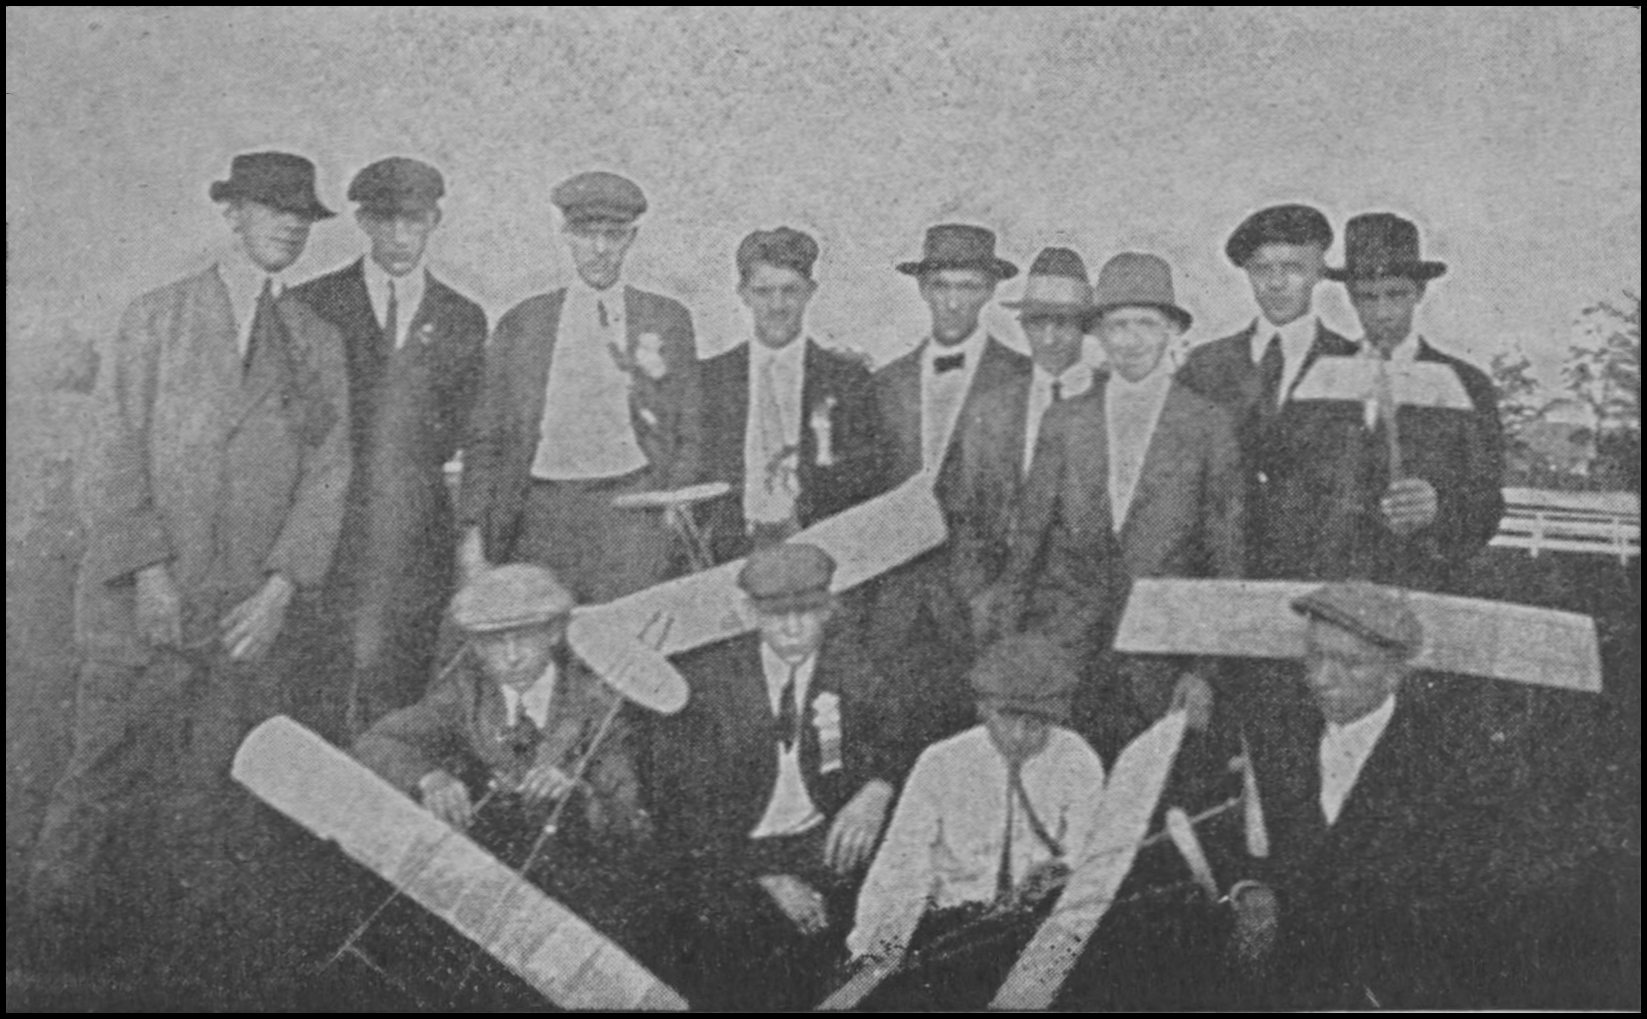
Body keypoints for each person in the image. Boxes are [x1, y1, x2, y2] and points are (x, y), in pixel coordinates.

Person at [29, 152, 350, 954]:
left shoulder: (316, 340)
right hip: (140, 603)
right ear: (231, 214)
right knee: (103, 770)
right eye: (271, 208)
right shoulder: (156, 317)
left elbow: (327, 474)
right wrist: (148, 574)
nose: (289, 225)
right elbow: (111, 453)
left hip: (242, 614)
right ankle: (46, 946)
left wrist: (278, 592)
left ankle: (185, 962)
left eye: (302, 214)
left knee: (212, 789)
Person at [984, 252, 1243, 759]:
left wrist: (1204, 671)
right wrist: (1009, 654)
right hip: (1066, 655)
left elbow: (1225, 557)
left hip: (1161, 658)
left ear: (1172, 331)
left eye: (1146, 324)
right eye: (1117, 326)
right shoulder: (1066, 421)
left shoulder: (1208, 425)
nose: (1130, 340)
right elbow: (1028, 546)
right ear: (1097, 333)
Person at [1222, 581, 1527, 1009]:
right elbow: (1237, 844)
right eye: (1315, 656)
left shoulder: (1449, 761)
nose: (1322, 679)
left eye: (1350, 664)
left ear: (1395, 674)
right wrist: (1248, 889)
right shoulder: (1273, 733)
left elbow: (1462, 905)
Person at [647, 543, 902, 1009]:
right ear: (750, 613)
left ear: (829, 609)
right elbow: (682, 810)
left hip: (818, 844)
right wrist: (768, 876)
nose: (791, 627)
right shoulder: (708, 684)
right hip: (732, 856)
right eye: (775, 614)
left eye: (807, 612)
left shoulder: (855, 668)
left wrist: (876, 790)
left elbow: (902, 736)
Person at [291, 157, 487, 739]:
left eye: (415, 221)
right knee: (318, 684)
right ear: (364, 223)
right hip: (326, 529)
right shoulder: (311, 305)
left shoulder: (462, 317)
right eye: (386, 221)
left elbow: (471, 432)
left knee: (400, 690)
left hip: (416, 535)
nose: (401, 237)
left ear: (435, 221)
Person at [352, 564, 650, 923]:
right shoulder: (467, 694)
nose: (512, 656)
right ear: (477, 647)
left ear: (553, 633)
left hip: (579, 893)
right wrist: (431, 779)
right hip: (490, 883)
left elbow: (628, 825)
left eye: (523, 638)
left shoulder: (596, 706)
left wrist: (576, 794)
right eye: (495, 641)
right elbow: (378, 741)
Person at [457, 170, 702, 603]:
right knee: (545, 627)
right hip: (542, 512)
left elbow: (690, 421)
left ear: (631, 238)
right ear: (567, 236)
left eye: (614, 235)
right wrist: (474, 528)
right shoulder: (524, 323)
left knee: (626, 628)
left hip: (631, 509)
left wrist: (670, 503)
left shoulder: (666, 318)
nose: (601, 249)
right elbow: (487, 433)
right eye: (588, 235)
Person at [844, 635, 1107, 1010]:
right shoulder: (941, 762)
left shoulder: (1077, 761)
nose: (1019, 736)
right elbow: (902, 863)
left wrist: (1060, 871)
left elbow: (1092, 858)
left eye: (1035, 723)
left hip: (1042, 933)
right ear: (983, 709)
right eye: (1007, 718)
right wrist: (874, 953)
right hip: (956, 932)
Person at [1264, 212, 1505, 591]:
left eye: (1396, 294)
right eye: (1367, 297)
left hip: (1421, 585)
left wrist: (1439, 508)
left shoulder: (1464, 384)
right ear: (1350, 297)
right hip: (1323, 586)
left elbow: (1487, 501)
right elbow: (1283, 485)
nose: (1382, 313)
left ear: (1419, 292)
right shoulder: (1318, 376)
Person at [866, 223, 1030, 746]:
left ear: (990, 291)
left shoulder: (1023, 380)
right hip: (900, 598)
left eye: (968, 287)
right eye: (941, 286)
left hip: (981, 597)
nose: (954, 302)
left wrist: (1002, 590)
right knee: (895, 735)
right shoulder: (885, 384)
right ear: (922, 288)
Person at [1174, 203, 1356, 579]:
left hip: (1320, 574)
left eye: (1293, 268)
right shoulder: (1204, 366)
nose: (1275, 283)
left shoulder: (1354, 364)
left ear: (1319, 271)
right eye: (1261, 270)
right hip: (1222, 571)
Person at [698, 226, 889, 561]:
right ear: (742, 294)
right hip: (731, 553)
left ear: (810, 292)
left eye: (790, 291)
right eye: (763, 292)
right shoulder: (709, 380)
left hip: (819, 549)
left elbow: (866, 476)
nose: (777, 305)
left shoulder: (847, 379)